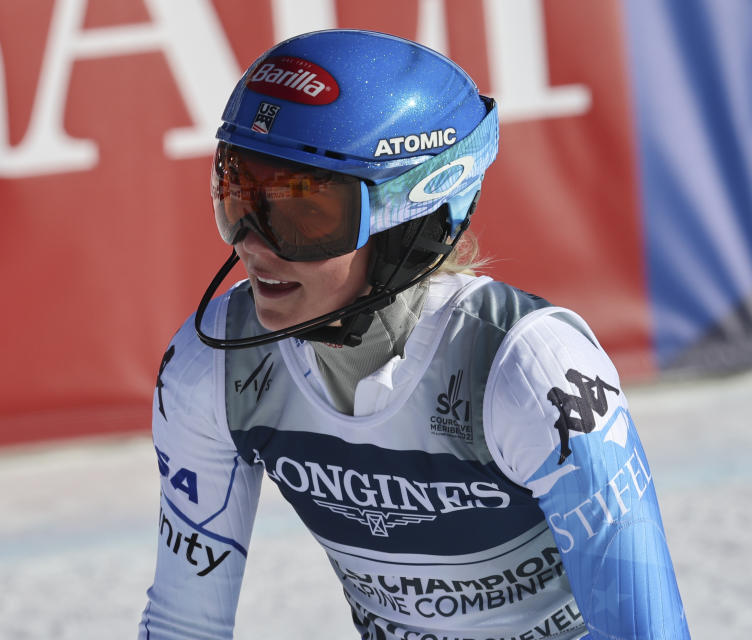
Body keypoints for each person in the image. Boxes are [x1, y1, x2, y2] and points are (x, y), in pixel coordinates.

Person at [139, 29, 690, 640]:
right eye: (238, 192)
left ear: (410, 223)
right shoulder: (211, 366)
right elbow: (181, 623)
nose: (251, 243)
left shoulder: (533, 372)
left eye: (302, 212)